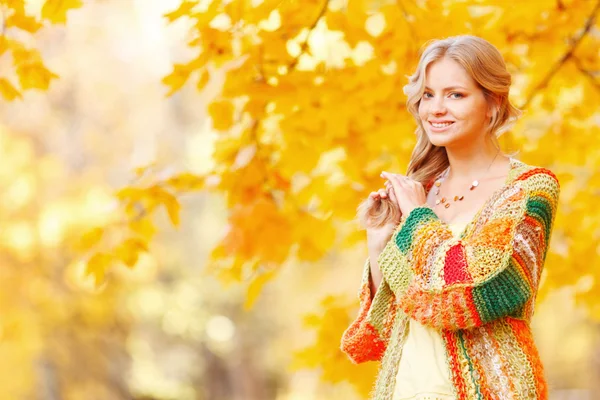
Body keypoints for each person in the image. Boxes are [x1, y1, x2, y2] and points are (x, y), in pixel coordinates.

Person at [340, 35, 560, 400]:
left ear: (492, 102)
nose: (436, 109)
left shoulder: (528, 189)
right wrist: (379, 243)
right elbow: (389, 323)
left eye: (455, 95)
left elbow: (479, 291)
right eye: (428, 95)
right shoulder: (420, 191)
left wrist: (417, 220)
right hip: (404, 389)